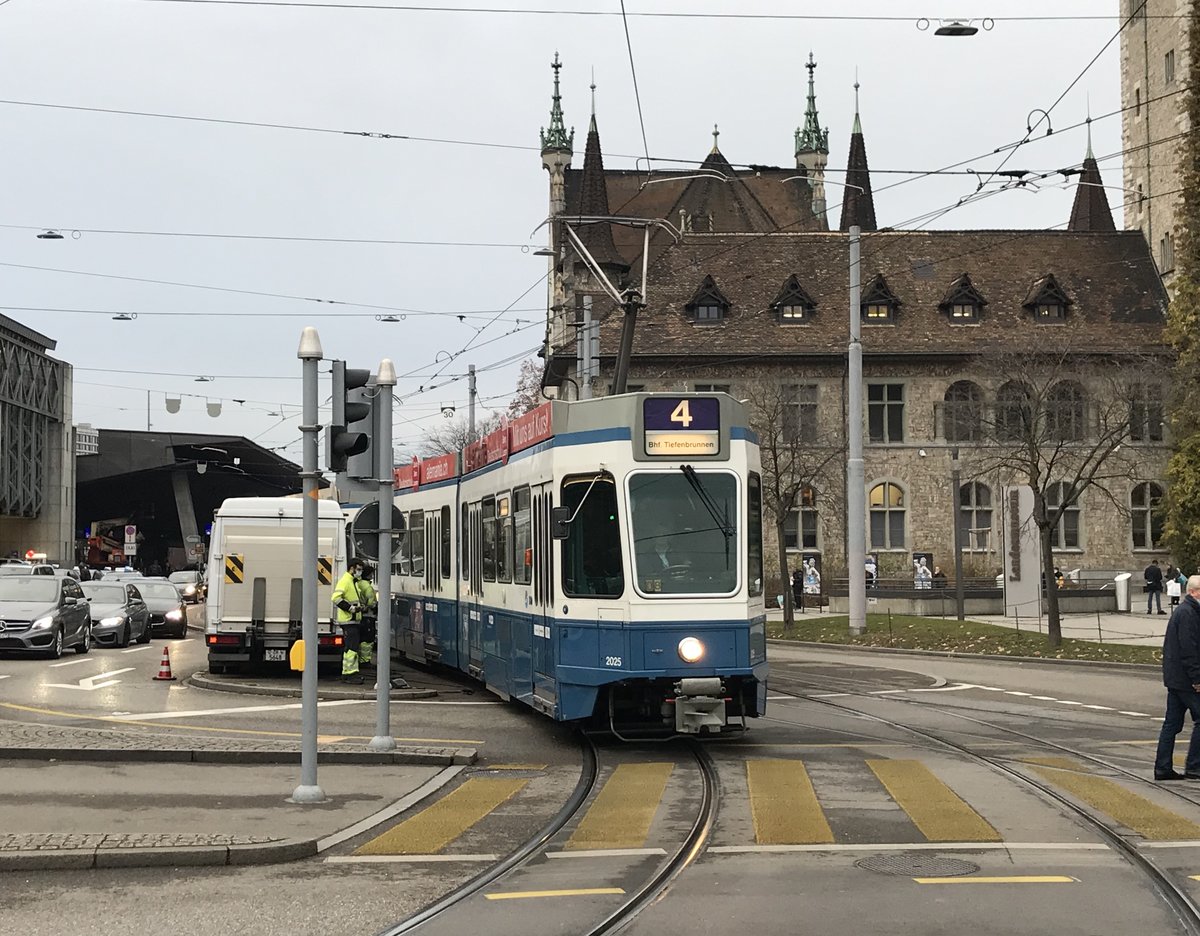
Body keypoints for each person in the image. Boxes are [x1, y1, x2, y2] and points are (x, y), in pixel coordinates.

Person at [1155, 575, 1200, 781]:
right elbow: (1189, 650)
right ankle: (1194, 766)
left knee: (1172, 724)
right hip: (1185, 680)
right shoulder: (1189, 614)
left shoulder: (1186, 611)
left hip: (1176, 678)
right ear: (1193, 592)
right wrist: (1197, 679)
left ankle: (1163, 767)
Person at [332, 559, 366, 684]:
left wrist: (359, 607)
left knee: (351, 647)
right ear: (351, 568)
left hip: (352, 620)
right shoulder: (346, 581)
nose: (360, 572)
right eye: (358, 569)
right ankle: (350, 674)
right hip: (348, 620)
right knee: (352, 648)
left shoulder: (353, 582)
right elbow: (335, 598)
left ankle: (348, 673)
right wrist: (351, 609)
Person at [355, 562, 378, 670]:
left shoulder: (357, 584)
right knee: (367, 639)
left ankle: (359, 660)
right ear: (369, 575)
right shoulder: (368, 587)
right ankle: (365, 661)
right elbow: (372, 603)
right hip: (368, 616)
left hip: (358, 616)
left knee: (359, 638)